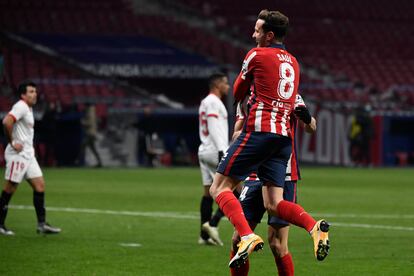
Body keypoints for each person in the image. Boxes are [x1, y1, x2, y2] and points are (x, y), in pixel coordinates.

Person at [209, 10, 330, 268]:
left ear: (269, 35)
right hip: (281, 144)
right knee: (274, 205)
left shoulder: (256, 59)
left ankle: (247, 235)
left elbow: (239, 89)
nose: (254, 35)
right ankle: (313, 226)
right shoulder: (294, 65)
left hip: (262, 137)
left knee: (218, 188)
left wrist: (308, 118)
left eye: (257, 30)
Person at [230, 94, 317, 275]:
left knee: (277, 244)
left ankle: (314, 228)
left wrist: (308, 119)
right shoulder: (247, 97)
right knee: (239, 239)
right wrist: (254, 132)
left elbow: (311, 128)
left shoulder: (291, 94)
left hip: (283, 175)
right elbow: (235, 136)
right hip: (255, 175)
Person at [0, 80, 61, 235]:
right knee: (10, 188)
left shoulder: (28, 108)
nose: (35, 94)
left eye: (35, 91)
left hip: (28, 155)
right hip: (18, 155)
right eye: (31, 92)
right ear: (23, 95)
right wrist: (12, 142)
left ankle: (42, 225)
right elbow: (6, 121)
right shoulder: (20, 106)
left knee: (40, 186)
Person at [197, 73, 230, 246]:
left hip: (204, 150)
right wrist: (222, 151)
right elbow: (212, 126)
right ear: (217, 84)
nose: (228, 86)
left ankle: (204, 236)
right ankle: (213, 224)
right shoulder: (213, 102)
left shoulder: (206, 101)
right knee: (238, 191)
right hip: (214, 151)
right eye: (225, 83)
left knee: (208, 193)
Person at [78, 102, 102, 167]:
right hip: (92, 133)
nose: (84, 108)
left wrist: (83, 122)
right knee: (93, 149)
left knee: (83, 145)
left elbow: (90, 123)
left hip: (90, 133)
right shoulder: (92, 111)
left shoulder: (90, 112)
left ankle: (80, 162)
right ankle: (99, 162)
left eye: (85, 106)